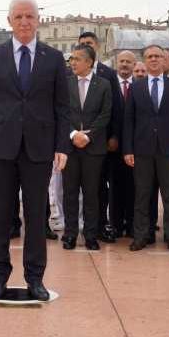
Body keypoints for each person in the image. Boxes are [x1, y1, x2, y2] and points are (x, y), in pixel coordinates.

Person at [0, 0, 70, 301]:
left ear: (38, 20)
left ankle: (35, 278)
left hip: (38, 149)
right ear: (9, 21)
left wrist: (61, 146)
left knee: (36, 218)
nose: (25, 22)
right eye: (19, 17)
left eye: (30, 16)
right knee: (1, 216)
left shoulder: (53, 58)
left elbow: (62, 107)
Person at [123, 45, 169, 253]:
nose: (154, 60)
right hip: (142, 150)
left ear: (165, 60)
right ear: (144, 61)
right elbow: (128, 120)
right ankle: (141, 235)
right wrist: (128, 149)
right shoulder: (136, 87)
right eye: (150, 57)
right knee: (142, 195)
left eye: (158, 56)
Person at [62, 44, 112, 250]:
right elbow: (61, 112)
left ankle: (91, 235)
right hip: (70, 147)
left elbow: (106, 114)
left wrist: (88, 136)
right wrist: (73, 134)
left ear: (89, 62)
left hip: (94, 148)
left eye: (77, 58)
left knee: (92, 193)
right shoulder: (65, 83)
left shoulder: (104, 85)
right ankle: (70, 234)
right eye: (71, 58)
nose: (73, 62)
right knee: (70, 192)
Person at [78, 32, 122, 243]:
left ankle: (99, 225)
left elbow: (114, 108)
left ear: (96, 47)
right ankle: (82, 226)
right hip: (75, 141)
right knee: (78, 187)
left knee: (99, 186)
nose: (87, 46)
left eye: (90, 43)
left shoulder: (108, 73)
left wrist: (113, 135)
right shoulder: (72, 72)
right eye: (83, 44)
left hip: (101, 142)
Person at [110, 51, 137, 237]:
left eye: (128, 62)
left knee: (135, 187)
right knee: (114, 187)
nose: (125, 64)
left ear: (134, 65)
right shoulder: (108, 85)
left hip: (136, 147)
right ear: (116, 63)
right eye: (122, 61)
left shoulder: (140, 86)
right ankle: (116, 225)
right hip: (112, 146)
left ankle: (133, 224)